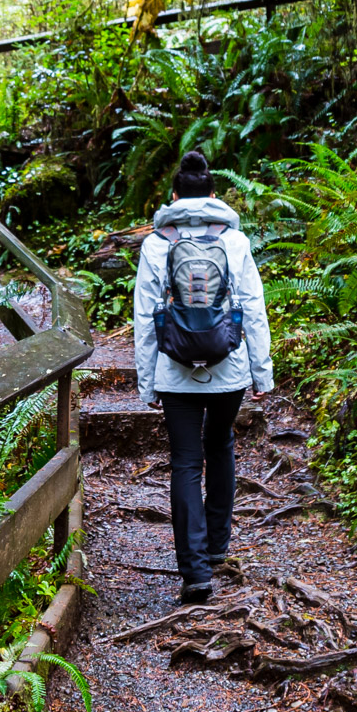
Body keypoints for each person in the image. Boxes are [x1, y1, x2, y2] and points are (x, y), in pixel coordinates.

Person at [133, 150, 274, 603]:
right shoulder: (235, 242)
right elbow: (252, 308)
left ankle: (194, 574)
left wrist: (146, 382)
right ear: (213, 196)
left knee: (186, 462)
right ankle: (216, 547)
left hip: (174, 371)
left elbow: (143, 316)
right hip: (228, 368)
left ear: (173, 197)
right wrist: (262, 373)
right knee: (221, 444)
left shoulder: (157, 243)